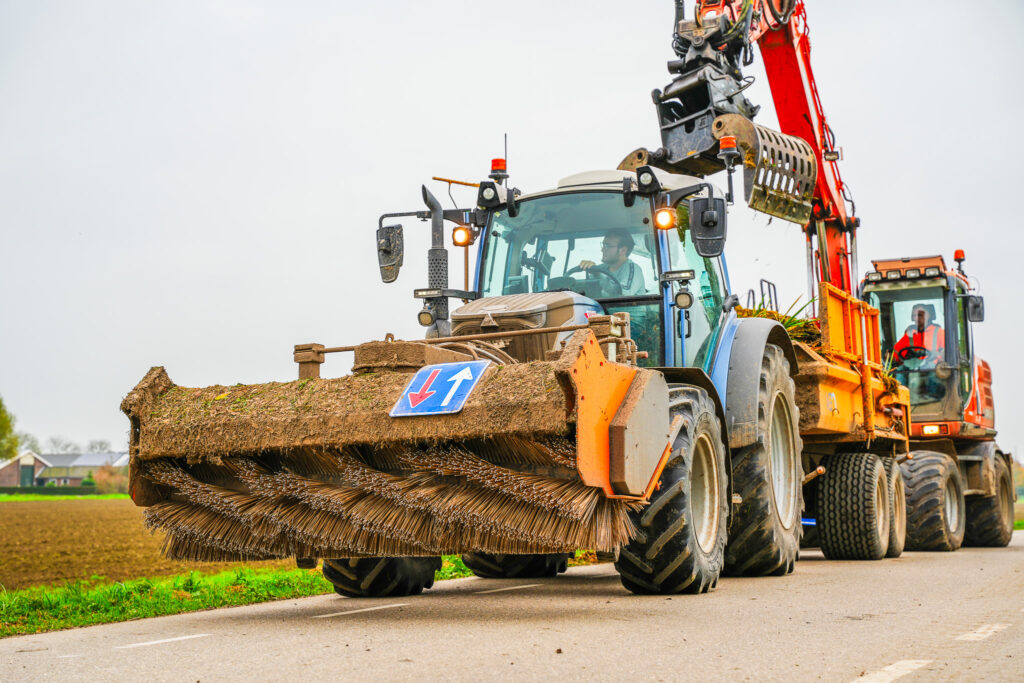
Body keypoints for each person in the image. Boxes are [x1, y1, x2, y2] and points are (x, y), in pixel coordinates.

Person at [578, 229, 647, 296]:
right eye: (603, 245)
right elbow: (589, 291)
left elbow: (622, 295)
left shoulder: (634, 270)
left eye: (607, 246)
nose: (602, 250)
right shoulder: (601, 268)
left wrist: (598, 274)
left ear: (623, 250)